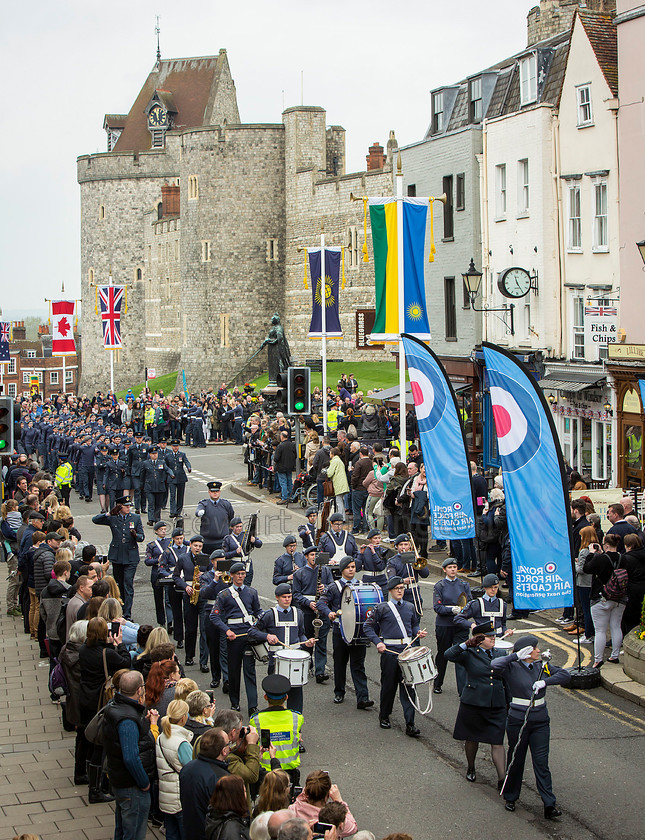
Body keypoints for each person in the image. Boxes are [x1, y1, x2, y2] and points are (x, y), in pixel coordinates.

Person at [492, 635, 572, 818]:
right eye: (534, 648)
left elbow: (565, 675)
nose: (538, 651)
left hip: (540, 720)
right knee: (516, 759)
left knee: (541, 763)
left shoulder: (541, 666)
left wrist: (546, 681)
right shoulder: (511, 667)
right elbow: (494, 665)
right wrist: (515, 656)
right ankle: (511, 797)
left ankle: (549, 804)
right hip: (518, 719)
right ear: (527, 651)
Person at [444, 621, 507, 786]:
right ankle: (471, 767)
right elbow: (448, 655)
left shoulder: (500, 653)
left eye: (494, 636)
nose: (493, 639)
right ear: (479, 639)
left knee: (497, 741)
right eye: (488, 637)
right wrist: (465, 644)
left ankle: (502, 778)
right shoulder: (469, 653)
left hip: (496, 703)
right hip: (474, 702)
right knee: (471, 738)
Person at [363, 576, 426, 737]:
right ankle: (384, 715)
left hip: (407, 651)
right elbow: (368, 627)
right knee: (389, 686)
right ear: (390, 591)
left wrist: (418, 632)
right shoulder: (382, 608)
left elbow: (413, 624)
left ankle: (410, 723)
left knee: (409, 687)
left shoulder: (410, 607)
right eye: (397, 588)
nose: (400, 591)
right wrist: (378, 642)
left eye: (402, 588)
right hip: (390, 652)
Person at [103, 670, 157, 840]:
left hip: (120, 781)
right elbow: (130, 757)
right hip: (132, 787)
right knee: (133, 833)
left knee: (122, 831)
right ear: (139, 690)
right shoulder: (127, 719)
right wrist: (144, 782)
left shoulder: (115, 707)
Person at [249, 583, 314, 715]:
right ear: (277, 597)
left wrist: (306, 641)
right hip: (276, 660)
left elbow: (300, 633)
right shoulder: (269, 614)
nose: (287, 599)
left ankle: (296, 726)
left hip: (294, 659)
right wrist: (266, 636)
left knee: (296, 695)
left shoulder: (298, 613)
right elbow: (252, 631)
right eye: (284, 597)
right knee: (276, 696)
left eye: (289, 596)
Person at [317, 557, 373, 709]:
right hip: (339, 630)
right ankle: (339, 691)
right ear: (342, 569)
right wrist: (329, 613)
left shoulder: (361, 585)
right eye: (348, 567)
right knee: (340, 662)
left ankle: (363, 697)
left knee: (358, 664)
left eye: (353, 566)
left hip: (357, 631)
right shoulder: (334, 586)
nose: (351, 569)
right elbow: (321, 603)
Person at [211, 562, 264, 715]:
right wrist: (226, 630)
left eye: (243, 574)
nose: (241, 576)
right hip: (233, 637)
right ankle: (234, 702)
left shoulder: (252, 592)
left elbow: (257, 611)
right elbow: (214, 616)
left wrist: (261, 622)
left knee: (250, 670)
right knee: (234, 671)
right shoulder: (224, 594)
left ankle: (253, 705)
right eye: (238, 574)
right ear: (232, 576)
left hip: (249, 635)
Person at [92, 495, 145, 619]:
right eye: (126, 506)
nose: (128, 508)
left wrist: (135, 536)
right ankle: (119, 609)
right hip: (117, 556)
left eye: (129, 506)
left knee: (128, 584)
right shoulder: (114, 518)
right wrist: (109, 514)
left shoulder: (135, 518)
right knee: (118, 585)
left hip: (131, 556)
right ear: (119, 507)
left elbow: (142, 537)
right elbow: (95, 520)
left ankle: (127, 613)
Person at [179, 727, 232, 840]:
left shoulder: (187, 768)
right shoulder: (221, 778)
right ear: (223, 750)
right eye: (229, 744)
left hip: (190, 831)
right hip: (209, 834)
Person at [251, 674, 303, 785]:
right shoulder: (297, 718)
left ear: (265, 697)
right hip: (289, 775)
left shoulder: (255, 720)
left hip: (267, 774)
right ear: (286, 697)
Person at [291, 546, 333, 684]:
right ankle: (306, 664)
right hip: (307, 610)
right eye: (312, 555)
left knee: (321, 641)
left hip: (322, 609)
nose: (314, 557)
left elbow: (332, 588)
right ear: (306, 557)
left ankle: (320, 672)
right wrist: (308, 603)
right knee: (307, 641)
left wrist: (325, 588)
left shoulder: (325, 570)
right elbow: (296, 594)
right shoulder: (300, 573)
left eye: (316, 554)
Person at [583, 541, 626, 668]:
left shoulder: (600, 559)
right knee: (616, 627)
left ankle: (598, 660)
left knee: (600, 631)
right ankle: (614, 656)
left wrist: (591, 554)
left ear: (606, 544)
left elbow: (586, 569)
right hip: (620, 597)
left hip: (600, 596)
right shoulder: (624, 558)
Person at [432, 558, 471, 695]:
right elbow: (437, 607)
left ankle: (463, 690)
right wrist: (451, 610)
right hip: (444, 625)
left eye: (455, 567)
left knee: (461, 653)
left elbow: (469, 603)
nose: (453, 569)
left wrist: (463, 611)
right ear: (444, 570)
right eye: (450, 567)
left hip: (460, 625)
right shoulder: (440, 586)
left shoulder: (464, 584)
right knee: (443, 655)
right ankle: (437, 683)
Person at [156, 698, 194, 840]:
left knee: (171, 834)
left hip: (166, 797)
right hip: (180, 798)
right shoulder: (181, 743)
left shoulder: (161, 737)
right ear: (184, 718)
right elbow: (190, 769)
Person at [173, 535, 212, 667]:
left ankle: (203, 661)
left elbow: (212, 573)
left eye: (200, 546)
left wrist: (205, 574)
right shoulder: (183, 558)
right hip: (189, 594)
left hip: (203, 594)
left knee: (204, 629)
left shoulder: (205, 558)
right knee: (190, 628)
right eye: (195, 546)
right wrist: (185, 587)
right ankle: (189, 656)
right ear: (190, 545)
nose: (198, 548)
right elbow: (176, 577)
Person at [289, 771, 357, 838]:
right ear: (327, 795)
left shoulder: (292, 810)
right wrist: (339, 800)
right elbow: (353, 827)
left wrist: (302, 796)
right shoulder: (332, 817)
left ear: (306, 792)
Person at [454, 573, 513, 645]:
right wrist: (471, 624)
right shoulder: (476, 604)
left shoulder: (502, 604)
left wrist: (506, 631)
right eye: (490, 587)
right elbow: (458, 619)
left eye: (495, 587)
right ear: (485, 587)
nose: (493, 590)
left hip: (498, 641)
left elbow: (502, 624)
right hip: (481, 641)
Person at [386, 534, 430, 612]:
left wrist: (417, 560)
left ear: (410, 545)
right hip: (400, 593)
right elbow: (391, 578)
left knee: (416, 619)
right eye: (401, 545)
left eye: (406, 544)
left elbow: (425, 574)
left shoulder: (415, 558)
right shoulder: (392, 561)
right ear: (396, 546)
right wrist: (403, 581)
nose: (403, 547)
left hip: (414, 593)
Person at [145, 520, 173, 630]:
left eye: (165, 530)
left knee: (168, 599)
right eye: (161, 530)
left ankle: (170, 622)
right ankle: (161, 621)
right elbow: (147, 560)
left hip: (167, 572)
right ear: (156, 531)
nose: (164, 532)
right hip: (156, 574)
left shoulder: (170, 542)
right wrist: (158, 560)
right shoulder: (152, 545)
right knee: (158, 599)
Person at [205, 775, 251, 840]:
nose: (246, 795)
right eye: (244, 792)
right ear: (236, 796)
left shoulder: (214, 817)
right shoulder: (232, 829)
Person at [196, 481, 236, 555]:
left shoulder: (226, 504)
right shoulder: (204, 504)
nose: (215, 493)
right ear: (209, 492)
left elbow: (231, 519)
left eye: (217, 491)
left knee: (222, 564)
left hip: (222, 541)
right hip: (208, 542)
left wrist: (229, 533)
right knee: (206, 564)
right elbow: (198, 510)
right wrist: (199, 512)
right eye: (212, 491)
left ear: (220, 492)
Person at [223, 516, 263, 586]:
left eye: (240, 526)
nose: (239, 528)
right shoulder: (228, 538)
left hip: (246, 562)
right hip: (234, 563)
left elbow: (259, 544)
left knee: (247, 583)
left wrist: (254, 541)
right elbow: (225, 555)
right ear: (232, 528)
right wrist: (235, 552)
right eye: (237, 527)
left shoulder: (246, 535)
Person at [141, 446, 174, 526]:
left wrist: (171, 474)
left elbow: (167, 469)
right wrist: (142, 485)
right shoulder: (146, 463)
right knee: (151, 503)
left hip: (159, 486)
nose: (154, 455)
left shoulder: (161, 462)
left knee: (158, 504)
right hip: (149, 486)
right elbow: (142, 475)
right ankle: (151, 519)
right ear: (150, 455)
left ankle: (157, 519)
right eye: (153, 454)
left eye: (156, 454)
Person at [619, 533, 645, 633]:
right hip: (642, 588)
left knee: (629, 618)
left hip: (632, 590)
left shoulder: (627, 558)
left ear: (629, 546)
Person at [166, 439, 192, 519]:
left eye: (177, 446)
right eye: (174, 446)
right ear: (171, 446)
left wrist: (189, 467)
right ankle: (172, 511)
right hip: (172, 477)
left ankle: (178, 511)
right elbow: (165, 466)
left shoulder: (182, 454)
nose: (175, 448)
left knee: (180, 495)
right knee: (172, 495)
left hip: (181, 477)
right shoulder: (168, 455)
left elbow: (187, 462)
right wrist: (169, 473)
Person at [360, 529, 388, 593]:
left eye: (379, 538)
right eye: (375, 538)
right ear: (370, 539)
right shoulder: (365, 551)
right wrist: (360, 554)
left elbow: (381, 567)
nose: (378, 540)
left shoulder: (383, 551)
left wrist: (374, 553)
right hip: (368, 580)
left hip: (381, 581)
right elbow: (358, 567)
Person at [274, 431, 297, 505]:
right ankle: (291, 496)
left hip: (281, 467)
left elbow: (276, 458)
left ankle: (284, 498)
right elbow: (295, 455)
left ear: (282, 437)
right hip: (290, 466)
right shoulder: (292, 445)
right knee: (289, 482)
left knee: (283, 482)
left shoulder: (280, 446)